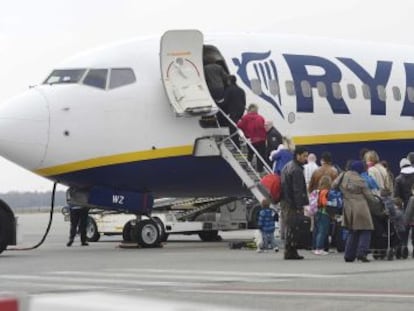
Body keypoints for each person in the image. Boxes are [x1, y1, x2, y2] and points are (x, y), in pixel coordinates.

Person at [332, 160, 375, 262]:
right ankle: (362, 253)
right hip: (361, 207)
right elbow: (369, 196)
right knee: (366, 229)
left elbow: (333, 185)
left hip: (348, 207)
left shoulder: (344, 175)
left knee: (352, 231)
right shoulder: (360, 180)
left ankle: (349, 255)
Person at [281, 146, 309, 260]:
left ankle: (289, 250)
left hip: (286, 202)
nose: (306, 158)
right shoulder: (296, 170)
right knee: (294, 227)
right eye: (304, 156)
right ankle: (291, 251)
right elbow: (297, 190)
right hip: (292, 203)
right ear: (298, 155)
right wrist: (299, 206)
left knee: (289, 227)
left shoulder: (287, 166)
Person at [237, 103, 267, 172]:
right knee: (260, 156)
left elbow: (239, 125)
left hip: (251, 140)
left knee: (250, 154)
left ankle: (248, 167)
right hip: (261, 140)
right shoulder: (261, 117)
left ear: (249, 109)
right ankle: (260, 170)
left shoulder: (245, 117)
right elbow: (263, 127)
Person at [394, 158, 414, 258]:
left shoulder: (398, 179)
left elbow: (396, 196)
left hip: (404, 206)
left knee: (404, 228)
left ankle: (404, 246)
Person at [221, 75, 246, 147]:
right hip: (240, 111)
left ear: (229, 81)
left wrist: (217, 104)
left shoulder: (229, 90)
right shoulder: (241, 90)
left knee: (232, 128)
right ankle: (241, 141)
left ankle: (236, 145)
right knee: (238, 126)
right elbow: (244, 102)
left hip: (233, 112)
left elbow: (225, 102)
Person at [313, 175, 332, 255]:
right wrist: (331, 203)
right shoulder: (325, 192)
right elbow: (324, 202)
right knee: (323, 231)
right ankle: (319, 248)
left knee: (318, 231)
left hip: (317, 212)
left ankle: (316, 246)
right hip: (324, 213)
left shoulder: (318, 191)